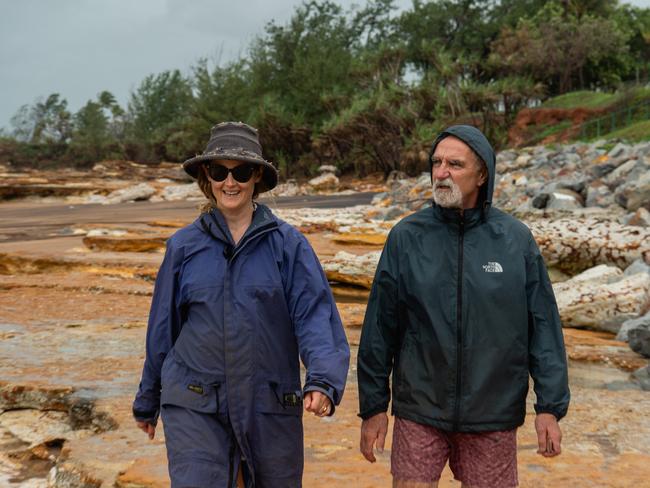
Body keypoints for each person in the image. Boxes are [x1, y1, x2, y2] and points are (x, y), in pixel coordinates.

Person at [132, 121, 350, 488]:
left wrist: (323, 381)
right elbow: (162, 328)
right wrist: (147, 399)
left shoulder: (289, 246)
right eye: (220, 172)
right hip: (194, 401)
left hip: (270, 402)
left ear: (257, 178)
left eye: (241, 171)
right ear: (207, 176)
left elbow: (315, 316)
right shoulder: (183, 247)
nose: (230, 182)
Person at [357, 125, 570, 488]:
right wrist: (374, 407)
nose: (441, 173)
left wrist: (549, 407)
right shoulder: (406, 238)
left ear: (482, 173)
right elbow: (380, 328)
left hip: (493, 415)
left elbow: (544, 329)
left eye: (455, 164)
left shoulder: (515, 241)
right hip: (419, 411)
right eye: (436, 163)